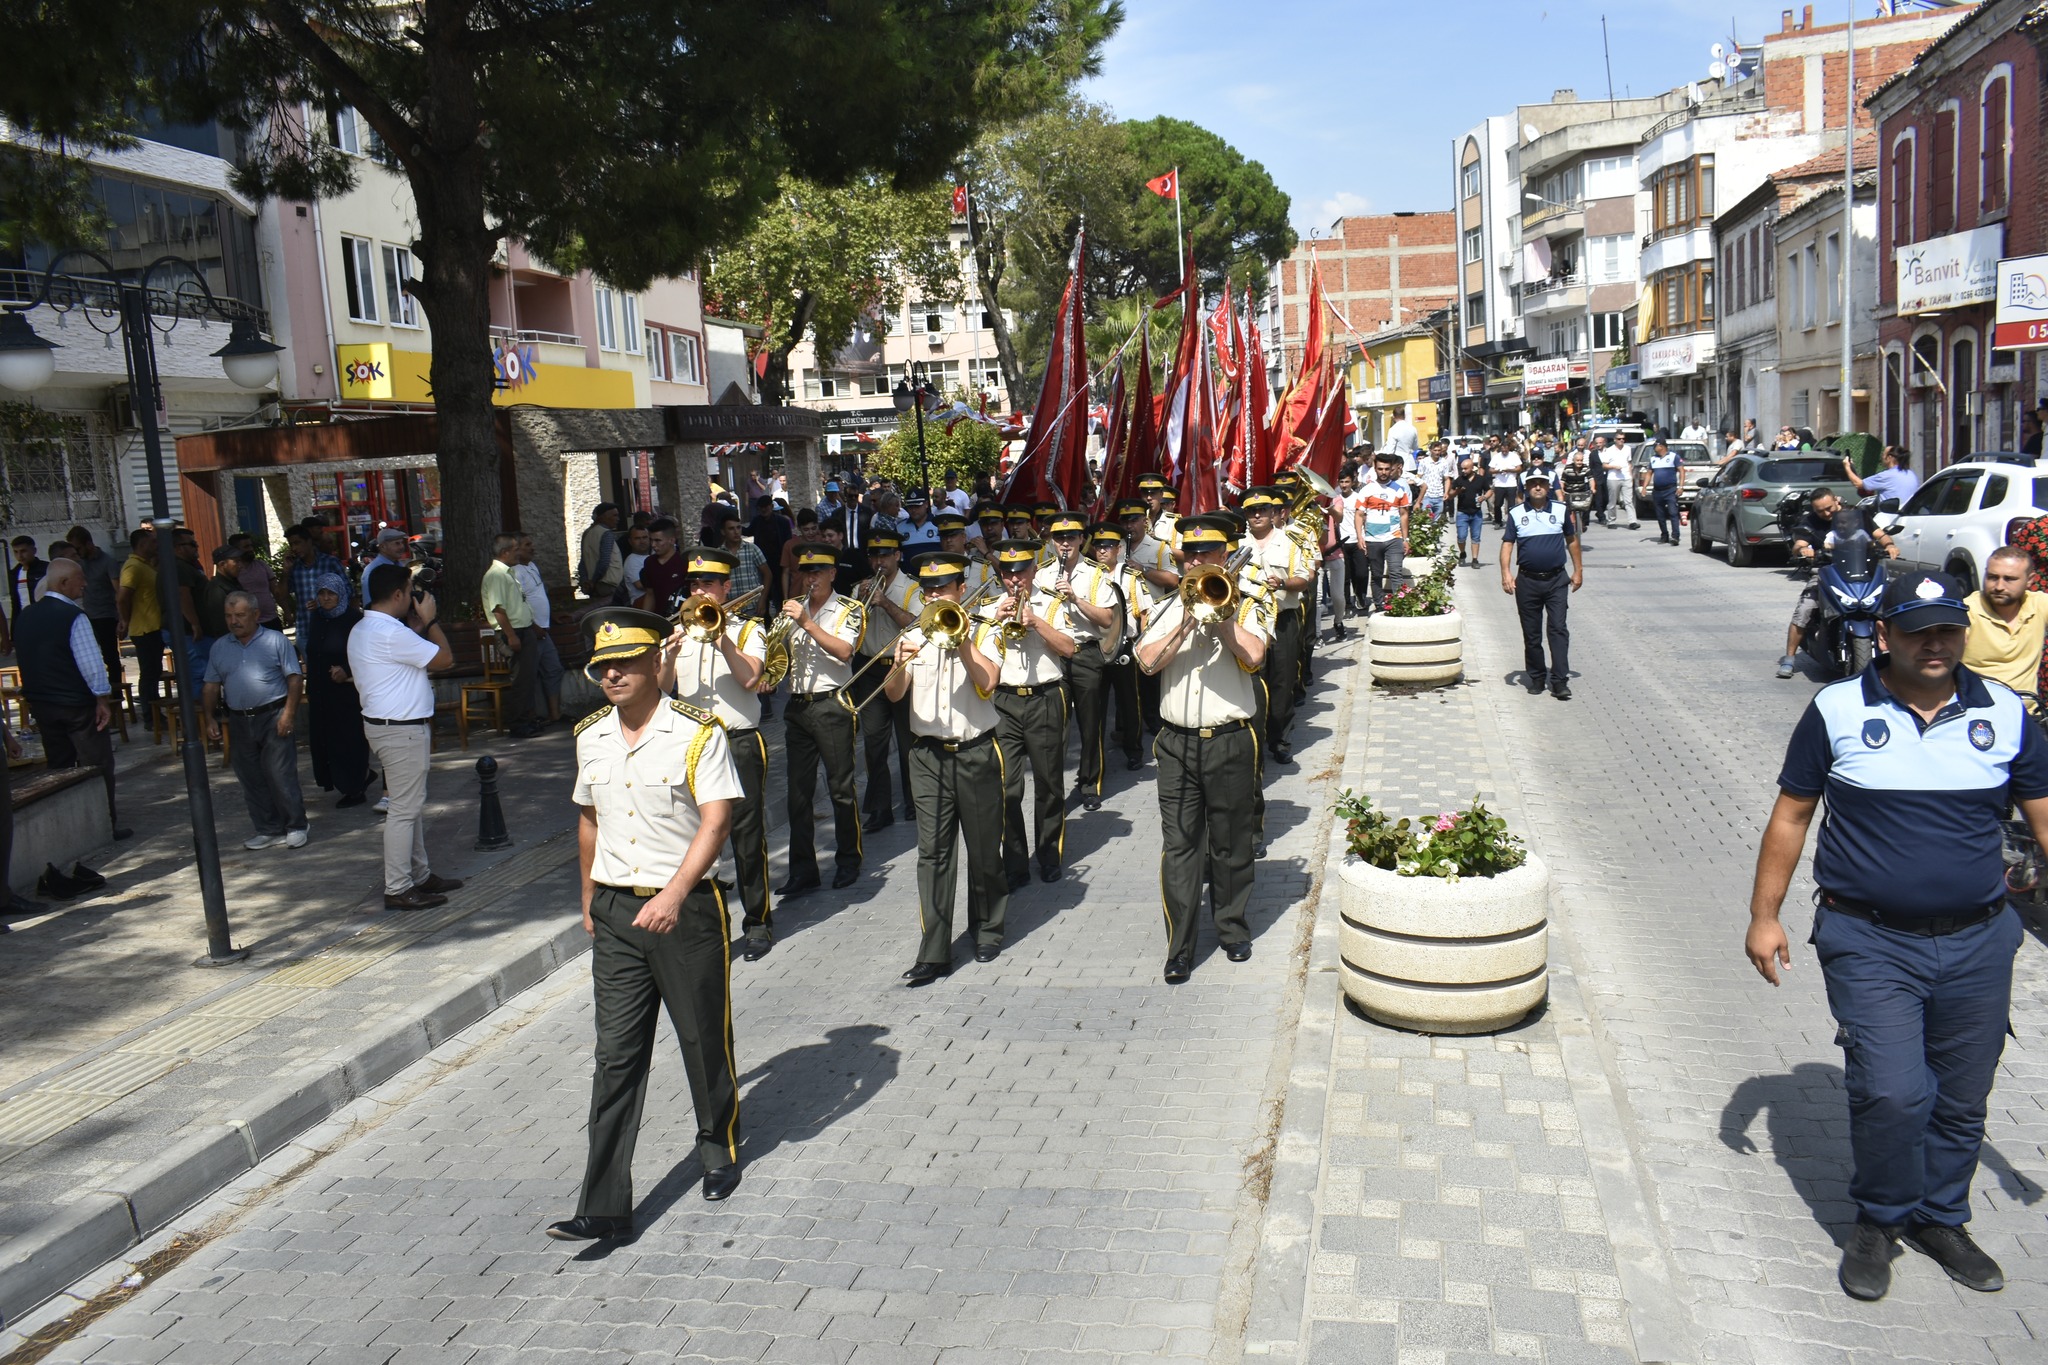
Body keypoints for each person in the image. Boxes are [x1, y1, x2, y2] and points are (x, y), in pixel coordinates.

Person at [1746, 568, 2048, 1301]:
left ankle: (1941, 1215)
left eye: (1948, 628)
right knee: (1891, 1090)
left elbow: (2042, 812)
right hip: (1868, 936)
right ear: (1885, 635)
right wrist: (1764, 913)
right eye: (1919, 630)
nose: (1937, 643)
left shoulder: (2006, 713)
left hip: (1980, 939)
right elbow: (1792, 814)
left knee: (1962, 1093)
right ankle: (1880, 1217)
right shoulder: (1838, 709)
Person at [546, 607, 744, 1244]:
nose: (613, 674)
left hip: (681, 912)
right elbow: (588, 823)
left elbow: (716, 822)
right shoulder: (590, 736)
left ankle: (717, 1150)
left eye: (626, 662)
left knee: (699, 1038)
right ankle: (603, 1204)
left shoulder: (697, 733)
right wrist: (588, 899)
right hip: (615, 912)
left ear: (657, 662)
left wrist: (674, 892)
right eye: (604, 666)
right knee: (616, 1056)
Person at [1135, 515, 1270, 984]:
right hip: (1175, 742)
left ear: (1224, 554)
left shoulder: (1248, 601)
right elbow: (1148, 663)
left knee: (1231, 842)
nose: (1196, 561)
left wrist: (1224, 621)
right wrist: (1187, 623)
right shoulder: (1163, 608)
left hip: (1230, 737)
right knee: (1180, 846)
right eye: (1188, 555)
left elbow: (1255, 657)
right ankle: (1181, 945)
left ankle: (1231, 929)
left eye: (1206, 553)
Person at [886, 551, 1009, 984]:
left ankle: (988, 928)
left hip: (976, 751)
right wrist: (899, 664)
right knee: (933, 855)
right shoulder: (911, 633)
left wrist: (963, 642)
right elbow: (896, 695)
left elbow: (988, 682)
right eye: (928, 588)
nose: (935, 594)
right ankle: (934, 950)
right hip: (927, 755)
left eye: (943, 587)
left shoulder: (985, 630)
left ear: (961, 588)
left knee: (982, 849)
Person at [659, 548, 774, 960]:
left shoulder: (748, 630)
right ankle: (708, 925)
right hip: (692, 747)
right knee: (695, 839)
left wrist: (720, 634)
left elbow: (750, 679)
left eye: (708, 584)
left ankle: (758, 922)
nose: (700, 592)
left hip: (738, 741)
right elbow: (661, 689)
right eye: (695, 584)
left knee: (746, 837)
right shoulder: (679, 630)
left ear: (727, 587)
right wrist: (669, 655)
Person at [349, 562, 462, 911]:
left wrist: (415, 627)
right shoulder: (390, 633)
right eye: (409, 590)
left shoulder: (365, 628)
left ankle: (420, 874)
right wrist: (429, 621)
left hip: (386, 727)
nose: (413, 596)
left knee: (406, 806)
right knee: (403, 810)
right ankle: (398, 887)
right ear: (398, 594)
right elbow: (445, 659)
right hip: (401, 730)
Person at [16, 558, 128, 839]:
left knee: (59, 765)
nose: (85, 584)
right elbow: (91, 664)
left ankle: (66, 826)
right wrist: (102, 699)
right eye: (80, 579)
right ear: (64, 583)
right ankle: (105, 823)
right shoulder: (73, 616)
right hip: (75, 704)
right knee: (96, 763)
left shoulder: (27, 616)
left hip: (43, 703)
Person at [778, 544, 865, 895]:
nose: (809, 578)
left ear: (832, 573)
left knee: (840, 789)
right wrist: (772, 672)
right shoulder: (792, 610)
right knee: (797, 795)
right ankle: (803, 870)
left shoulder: (848, 609)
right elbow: (781, 655)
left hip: (832, 704)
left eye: (817, 571)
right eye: (804, 571)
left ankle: (849, 860)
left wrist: (807, 623)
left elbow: (845, 652)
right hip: (797, 705)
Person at [986, 538, 1075, 884]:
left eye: (1021, 571)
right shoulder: (991, 606)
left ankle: (1049, 854)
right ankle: (1015, 863)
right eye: (1008, 573)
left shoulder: (1053, 604)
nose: (1014, 580)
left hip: (1045, 698)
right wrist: (995, 622)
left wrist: (1036, 622)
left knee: (1049, 783)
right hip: (1004, 701)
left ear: (1034, 569)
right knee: (1006, 788)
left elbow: (1068, 648)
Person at [202, 593, 308, 850]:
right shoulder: (220, 646)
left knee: (279, 773)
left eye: (240, 615)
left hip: (273, 714)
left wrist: (288, 714)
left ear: (255, 615)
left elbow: (295, 678)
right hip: (239, 718)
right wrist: (209, 718)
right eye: (229, 616)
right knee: (250, 777)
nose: (234, 621)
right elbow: (211, 686)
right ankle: (268, 828)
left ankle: (295, 825)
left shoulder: (275, 641)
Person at [1038, 513, 1118, 809]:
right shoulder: (1041, 574)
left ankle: (1089, 783)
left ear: (1082, 540)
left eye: (1071, 537)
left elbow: (1108, 620)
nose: (1065, 543)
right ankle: (1053, 788)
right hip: (1053, 656)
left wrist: (1076, 599)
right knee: (1054, 727)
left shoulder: (1096, 574)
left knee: (1089, 723)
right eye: (1059, 538)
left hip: (1086, 654)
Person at [1777, 489, 1899, 678]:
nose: (1826, 514)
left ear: (1836, 500)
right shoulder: (1810, 522)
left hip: (1863, 571)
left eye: (1829, 508)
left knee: (1894, 602)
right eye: (1820, 511)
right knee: (1805, 609)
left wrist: (1889, 545)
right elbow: (1799, 543)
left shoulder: (1855, 516)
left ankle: (1899, 653)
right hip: (1826, 571)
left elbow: (1878, 534)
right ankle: (1789, 658)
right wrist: (1803, 550)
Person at [850, 530, 921, 831]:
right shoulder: (859, 589)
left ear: (897, 555)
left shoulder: (913, 589)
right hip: (868, 669)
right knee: (874, 743)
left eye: (885, 555)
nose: (879, 561)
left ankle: (914, 800)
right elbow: (850, 631)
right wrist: (861, 605)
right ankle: (879, 808)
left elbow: (918, 627)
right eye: (873, 555)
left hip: (901, 666)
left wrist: (885, 603)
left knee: (908, 740)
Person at [1500, 471, 1584, 701]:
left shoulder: (1560, 509)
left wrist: (1578, 570)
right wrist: (1506, 573)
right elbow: (1508, 544)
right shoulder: (1516, 513)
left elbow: (1572, 540)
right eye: (1532, 484)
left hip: (1557, 580)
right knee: (1532, 632)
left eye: (1542, 483)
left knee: (1557, 629)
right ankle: (1537, 677)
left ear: (1548, 486)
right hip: (1527, 581)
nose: (1537, 487)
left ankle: (1559, 681)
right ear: (1526, 488)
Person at [1241, 489, 1311, 761]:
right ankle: (1254, 738)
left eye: (1262, 510)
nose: (1257, 515)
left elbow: (1303, 579)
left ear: (1273, 513)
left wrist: (1283, 583)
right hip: (1250, 621)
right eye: (1250, 511)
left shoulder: (1290, 542)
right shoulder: (1236, 544)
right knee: (1253, 681)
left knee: (1282, 682)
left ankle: (1280, 740)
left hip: (1282, 620)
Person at [302, 574, 374, 807]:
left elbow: (366, 653)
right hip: (321, 690)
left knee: (348, 739)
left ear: (341, 594)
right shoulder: (318, 617)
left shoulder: (355, 620)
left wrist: (345, 668)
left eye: (331, 593)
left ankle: (355, 787)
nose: (325, 598)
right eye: (321, 593)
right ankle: (346, 781)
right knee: (325, 738)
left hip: (345, 692)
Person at [1091, 524, 1148, 769]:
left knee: (1129, 701)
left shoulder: (1131, 577)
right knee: (1097, 703)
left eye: (1108, 546)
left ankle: (1134, 750)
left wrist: (1143, 644)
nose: (1102, 551)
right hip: (1096, 646)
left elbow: (1144, 612)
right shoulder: (1089, 575)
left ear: (1118, 548)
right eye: (1098, 546)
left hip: (1125, 646)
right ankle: (1096, 754)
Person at [1960, 547, 2048, 701]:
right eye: (1992, 577)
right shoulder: (1966, 611)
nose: (1999, 586)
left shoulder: (2038, 605)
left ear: (2030, 580)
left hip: (2028, 712)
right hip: (1979, 710)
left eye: (2010, 579)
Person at [482, 533, 544, 738]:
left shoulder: (508, 573)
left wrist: (532, 625)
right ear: (505, 552)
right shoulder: (496, 575)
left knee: (527, 679)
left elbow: (518, 604)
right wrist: (512, 636)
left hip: (524, 629)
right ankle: (518, 724)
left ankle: (528, 719)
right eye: (515, 549)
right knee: (520, 680)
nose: (519, 553)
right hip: (513, 632)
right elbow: (498, 609)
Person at [117, 527, 167, 715]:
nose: (156, 545)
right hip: (144, 629)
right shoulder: (133, 567)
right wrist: (124, 620)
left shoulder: (146, 565)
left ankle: (153, 712)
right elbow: (123, 597)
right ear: (142, 544)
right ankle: (149, 715)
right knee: (149, 674)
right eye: (153, 541)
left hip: (154, 626)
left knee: (154, 672)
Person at [65, 526, 123, 683]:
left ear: (88, 544)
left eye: (78, 548)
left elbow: (118, 590)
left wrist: (122, 618)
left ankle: (116, 692)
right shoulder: (79, 564)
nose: (77, 553)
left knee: (110, 656)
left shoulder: (107, 562)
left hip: (106, 615)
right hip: (86, 614)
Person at [1355, 453, 1412, 612]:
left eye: (1387, 469)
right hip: (1372, 539)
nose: (1384, 472)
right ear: (1375, 468)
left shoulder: (1399, 490)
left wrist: (1405, 539)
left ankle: (1399, 606)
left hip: (1394, 538)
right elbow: (1359, 515)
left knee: (1396, 573)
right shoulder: (1367, 490)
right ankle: (1380, 606)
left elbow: (1404, 514)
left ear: (1392, 469)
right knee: (1377, 575)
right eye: (1380, 469)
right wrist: (1360, 537)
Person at [285, 524, 348, 649]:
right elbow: (282, 595)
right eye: (291, 544)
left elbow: (347, 592)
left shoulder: (330, 563)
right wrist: (285, 572)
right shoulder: (294, 567)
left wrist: (323, 603)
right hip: (305, 629)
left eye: (297, 543)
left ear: (309, 541)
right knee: (312, 668)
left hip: (330, 629)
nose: (295, 548)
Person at [636, 518, 690, 616]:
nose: (653, 545)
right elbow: (650, 593)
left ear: (672, 540)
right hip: (659, 618)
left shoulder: (685, 563)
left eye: (658, 540)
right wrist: (645, 618)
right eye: (651, 540)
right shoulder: (649, 562)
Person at [5, 536, 47, 652]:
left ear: (33, 550)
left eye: (23, 551)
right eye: (16, 552)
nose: (20, 556)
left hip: (45, 621)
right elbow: (16, 604)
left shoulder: (46, 569)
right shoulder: (14, 574)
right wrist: (13, 635)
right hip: (25, 624)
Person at [1842, 446, 1921, 507]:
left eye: (1883, 454)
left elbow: (1858, 484)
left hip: (1890, 517)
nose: (1882, 457)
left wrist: (1847, 467)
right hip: (1909, 514)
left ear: (1889, 458)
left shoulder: (1887, 475)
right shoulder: (1911, 474)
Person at [717, 512, 767, 607]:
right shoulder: (719, 554)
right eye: (731, 528)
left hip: (753, 606)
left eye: (738, 527)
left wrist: (763, 599)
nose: (736, 532)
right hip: (730, 607)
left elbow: (767, 574)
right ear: (723, 531)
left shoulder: (752, 549)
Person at [1639, 438, 1683, 544]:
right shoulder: (1653, 459)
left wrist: (1681, 486)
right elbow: (1649, 473)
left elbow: (1681, 471)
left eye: (1655, 445)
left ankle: (1675, 536)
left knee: (1673, 512)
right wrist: (1644, 487)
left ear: (1662, 446)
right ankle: (1664, 535)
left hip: (1670, 490)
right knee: (1660, 515)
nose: (1654, 448)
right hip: (1657, 491)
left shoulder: (1673, 457)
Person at [578, 502, 625, 602]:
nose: (618, 519)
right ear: (603, 517)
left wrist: (585, 581)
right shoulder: (606, 533)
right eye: (614, 515)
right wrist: (593, 581)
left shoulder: (587, 533)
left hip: (595, 586)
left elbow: (582, 562)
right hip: (607, 584)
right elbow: (604, 561)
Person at [1449, 455, 1488, 568]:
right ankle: (1462, 553)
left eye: (1465, 468)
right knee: (1461, 536)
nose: (1463, 471)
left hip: (1476, 513)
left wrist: (1484, 497)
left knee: (1475, 537)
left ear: (1472, 468)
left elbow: (1489, 490)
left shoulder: (1480, 479)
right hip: (1462, 513)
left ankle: (1475, 559)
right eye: (1462, 468)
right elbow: (1450, 495)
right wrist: (1458, 491)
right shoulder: (1459, 480)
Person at [358, 526, 409, 602]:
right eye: (397, 543)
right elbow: (369, 603)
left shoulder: (399, 565)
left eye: (402, 543)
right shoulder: (373, 570)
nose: (402, 547)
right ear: (382, 547)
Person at [1601, 437, 1638, 530]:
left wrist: (1630, 475)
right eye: (1619, 439)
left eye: (1623, 439)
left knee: (1628, 501)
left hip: (1626, 478)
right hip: (1613, 478)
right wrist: (1613, 467)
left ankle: (1633, 522)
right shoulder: (1609, 450)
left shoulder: (1628, 449)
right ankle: (1611, 521)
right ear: (1615, 440)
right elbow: (1604, 465)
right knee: (1612, 501)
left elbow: (1629, 463)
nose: (1621, 440)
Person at [1487, 440, 1523, 526]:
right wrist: (1498, 471)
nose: (1504, 452)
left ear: (1509, 448)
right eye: (1502, 450)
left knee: (1511, 505)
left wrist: (1509, 470)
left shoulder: (1514, 456)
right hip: (1499, 483)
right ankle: (1498, 521)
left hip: (1511, 483)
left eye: (1506, 450)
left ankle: (1511, 522)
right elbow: (1490, 470)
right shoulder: (1496, 457)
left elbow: (1519, 468)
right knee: (1497, 504)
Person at [616, 524, 651, 609]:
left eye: (645, 537)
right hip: (641, 606)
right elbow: (639, 585)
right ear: (630, 541)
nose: (642, 541)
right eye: (637, 538)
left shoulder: (652, 557)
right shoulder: (632, 561)